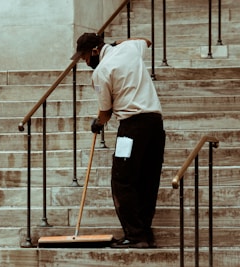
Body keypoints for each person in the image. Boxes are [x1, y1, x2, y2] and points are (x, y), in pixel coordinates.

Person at [74, 33, 166, 248]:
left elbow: (105, 111)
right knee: (147, 179)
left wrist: (97, 123)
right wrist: (116, 43)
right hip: (155, 125)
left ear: (95, 51)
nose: (85, 62)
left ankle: (135, 236)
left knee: (122, 181)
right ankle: (144, 233)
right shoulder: (130, 49)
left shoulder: (101, 72)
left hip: (131, 128)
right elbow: (147, 41)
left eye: (85, 56)